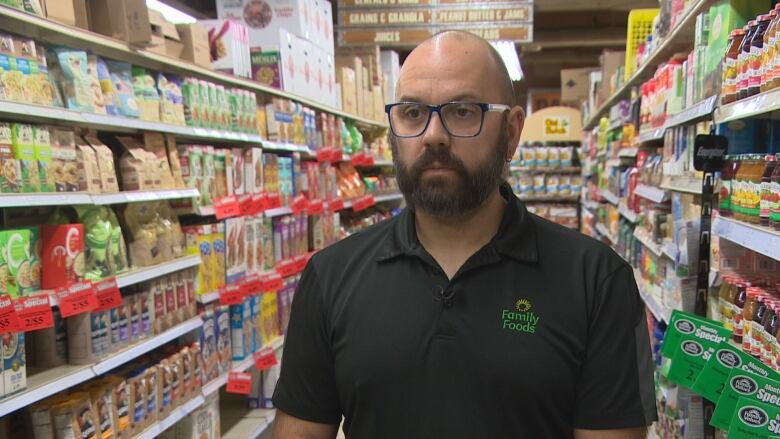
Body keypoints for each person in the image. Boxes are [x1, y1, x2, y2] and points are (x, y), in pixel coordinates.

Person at [272, 30, 657, 439]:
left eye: (462, 111)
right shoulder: (330, 277)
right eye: (413, 113)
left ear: (510, 132)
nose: (433, 134)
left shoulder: (597, 281)